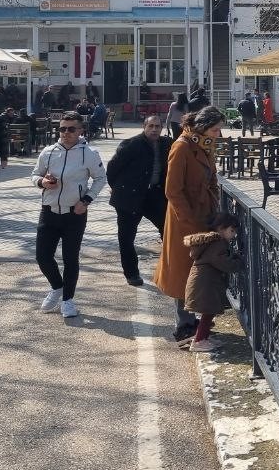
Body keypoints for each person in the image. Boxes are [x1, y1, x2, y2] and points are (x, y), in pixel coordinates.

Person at [155, 106, 225, 343]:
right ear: (204, 127)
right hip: (183, 221)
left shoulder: (203, 144)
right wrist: (190, 220)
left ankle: (191, 319)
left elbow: (212, 179)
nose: (219, 134)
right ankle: (183, 324)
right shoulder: (182, 146)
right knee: (182, 271)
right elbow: (172, 190)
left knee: (196, 269)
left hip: (203, 215)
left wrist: (213, 206)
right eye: (216, 130)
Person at [31, 112, 107, 318]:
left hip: (75, 212)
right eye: (63, 129)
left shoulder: (89, 153)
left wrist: (86, 201)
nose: (66, 133)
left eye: (71, 129)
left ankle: (68, 300)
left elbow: (100, 178)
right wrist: (42, 182)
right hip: (49, 211)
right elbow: (35, 174)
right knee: (42, 256)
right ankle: (57, 287)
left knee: (70, 258)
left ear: (81, 130)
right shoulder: (48, 152)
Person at [106, 116, 172, 285]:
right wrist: (118, 188)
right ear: (144, 127)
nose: (154, 129)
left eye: (158, 126)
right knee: (126, 237)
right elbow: (112, 168)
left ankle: (170, 268)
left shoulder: (167, 144)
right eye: (151, 126)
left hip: (154, 195)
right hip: (130, 196)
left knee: (168, 230)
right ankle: (131, 273)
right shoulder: (131, 144)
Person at [182, 213, 242, 353]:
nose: (233, 235)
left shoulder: (212, 242)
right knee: (208, 313)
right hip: (205, 285)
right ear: (221, 229)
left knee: (208, 313)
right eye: (231, 231)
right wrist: (239, 261)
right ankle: (199, 341)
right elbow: (224, 263)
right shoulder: (217, 244)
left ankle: (204, 337)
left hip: (204, 283)